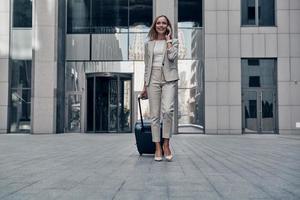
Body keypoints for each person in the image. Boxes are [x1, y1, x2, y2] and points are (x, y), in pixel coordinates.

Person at [140, 15, 179, 162]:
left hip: (169, 78)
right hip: (153, 79)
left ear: (167, 26)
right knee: (155, 115)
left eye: (164, 23)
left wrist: (169, 41)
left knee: (168, 111)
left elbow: (172, 57)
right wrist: (144, 86)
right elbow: (146, 67)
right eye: (158, 23)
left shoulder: (174, 42)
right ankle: (157, 147)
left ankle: (166, 144)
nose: (161, 25)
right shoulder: (148, 44)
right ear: (155, 25)